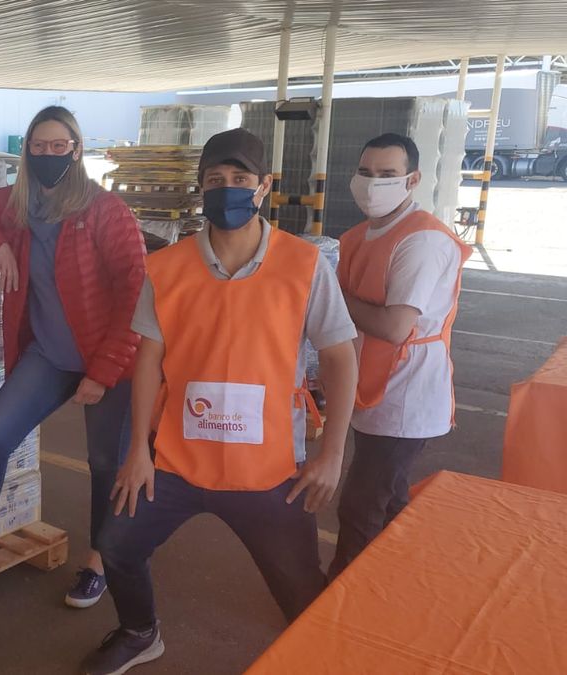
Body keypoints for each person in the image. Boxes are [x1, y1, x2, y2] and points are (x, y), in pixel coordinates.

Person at [82, 129, 359, 675]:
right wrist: (138, 448)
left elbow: (341, 358)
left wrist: (331, 452)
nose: (227, 189)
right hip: (177, 465)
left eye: (240, 180)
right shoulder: (166, 269)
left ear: (264, 187)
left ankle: (321, 651)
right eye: (215, 180)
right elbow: (148, 362)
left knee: (301, 589)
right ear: (200, 187)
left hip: (269, 472)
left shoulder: (304, 266)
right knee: (116, 545)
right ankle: (141, 633)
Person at [0, 106, 145, 609]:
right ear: (27, 150)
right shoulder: (17, 205)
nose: (49, 154)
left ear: (76, 150)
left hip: (110, 360)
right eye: (40, 145)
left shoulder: (105, 211)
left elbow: (136, 294)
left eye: (60, 146)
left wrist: (102, 372)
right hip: (51, 356)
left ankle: (102, 560)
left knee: (105, 463)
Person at [327, 133, 472, 579]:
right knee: (387, 498)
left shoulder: (422, 241)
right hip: (372, 385)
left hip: (405, 393)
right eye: (366, 173)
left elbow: (394, 327)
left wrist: (328, 295)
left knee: (362, 503)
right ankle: (392, 581)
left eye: (387, 175)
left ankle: (343, 592)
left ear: (412, 179)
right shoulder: (358, 236)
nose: (373, 184)